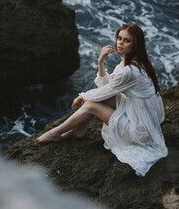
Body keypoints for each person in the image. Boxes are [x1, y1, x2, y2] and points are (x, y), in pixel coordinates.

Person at [36, 24, 168, 177]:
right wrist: (101, 62)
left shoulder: (129, 71)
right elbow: (107, 87)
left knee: (91, 104)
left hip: (140, 132)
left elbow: (104, 92)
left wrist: (83, 96)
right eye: (119, 38)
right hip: (140, 117)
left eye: (127, 41)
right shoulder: (131, 63)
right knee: (93, 99)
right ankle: (79, 129)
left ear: (136, 44)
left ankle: (55, 133)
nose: (120, 43)